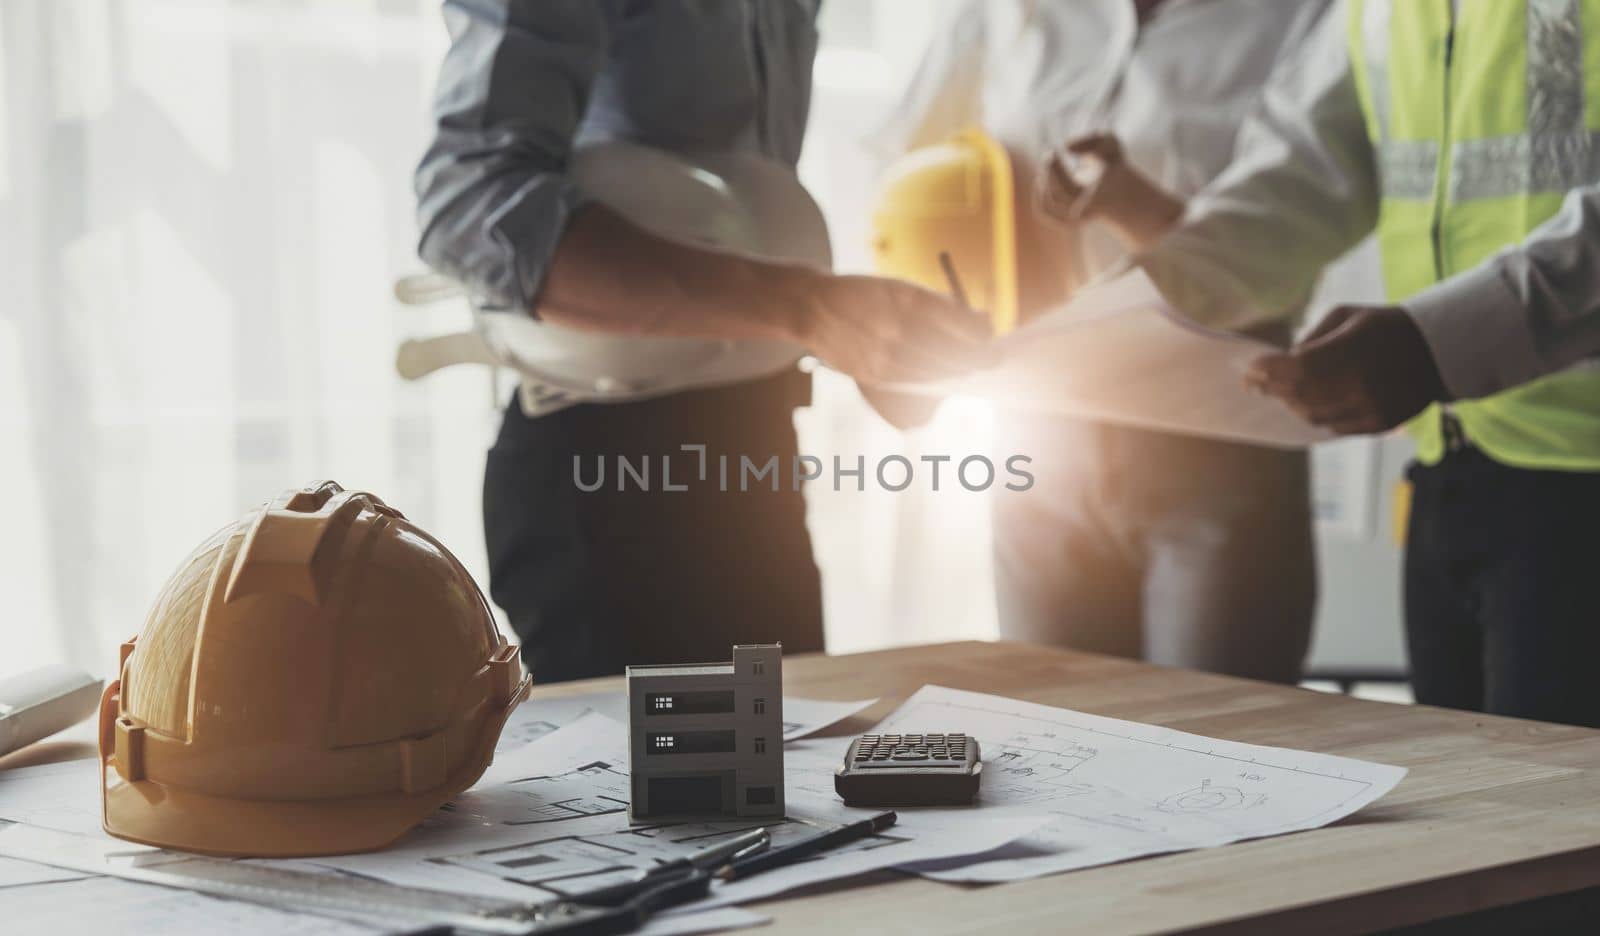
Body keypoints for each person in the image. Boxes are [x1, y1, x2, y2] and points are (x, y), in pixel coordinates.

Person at [414, 1, 991, 682]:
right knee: (632, 787)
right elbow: (470, 205)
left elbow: (742, 210)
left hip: (755, 455)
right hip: (603, 476)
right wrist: (808, 306)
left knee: (786, 769)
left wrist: (871, 336)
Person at [1131, 0, 1600, 727]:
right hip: (1454, 463)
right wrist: (1099, 310)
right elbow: (1298, 179)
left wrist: (1441, 339)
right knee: (1478, 828)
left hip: (1581, 474)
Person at [873, 0, 1331, 682]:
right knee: (1056, 748)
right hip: (1035, 438)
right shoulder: (1002, 11)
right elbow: (905, 175)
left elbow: (1294, 247)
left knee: (1222, 752)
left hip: (1216, 439)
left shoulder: (1298, 17)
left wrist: (1136, 210)